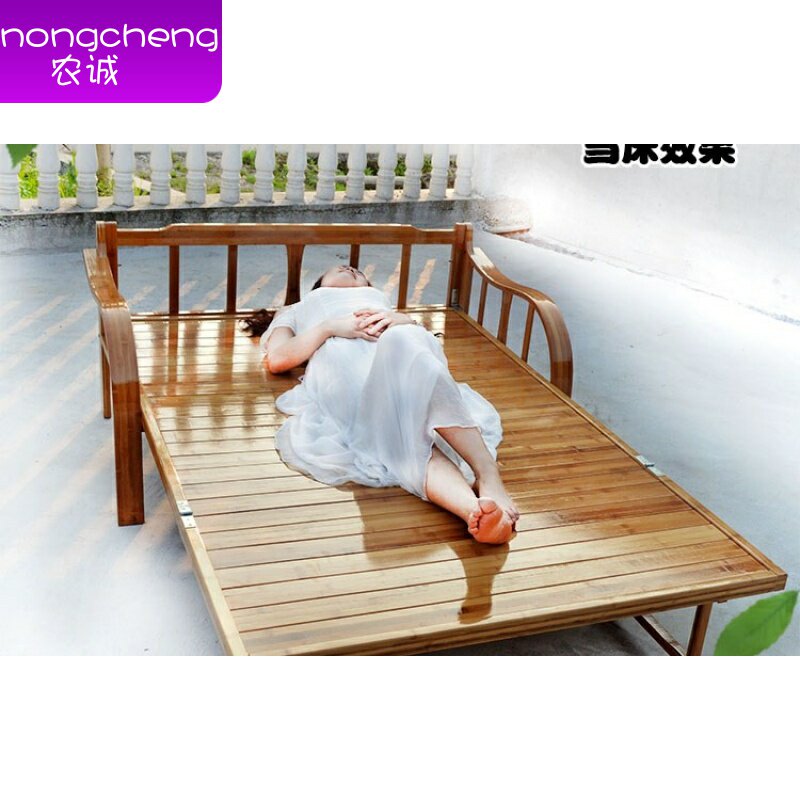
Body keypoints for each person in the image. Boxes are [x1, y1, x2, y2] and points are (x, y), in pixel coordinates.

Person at [241, 263, 520, 544]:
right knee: (403, 435)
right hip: (347, 365)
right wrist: (331, 327)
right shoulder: (298, 308)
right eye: (340, 267)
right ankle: (473, 508)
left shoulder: (380, 302)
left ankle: (484, 488)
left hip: (403, 353)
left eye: (359, 272)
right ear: (318, 285)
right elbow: (277, 359)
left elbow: (419, 336)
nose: (350, 268)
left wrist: (403, 320)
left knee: (405, 346)